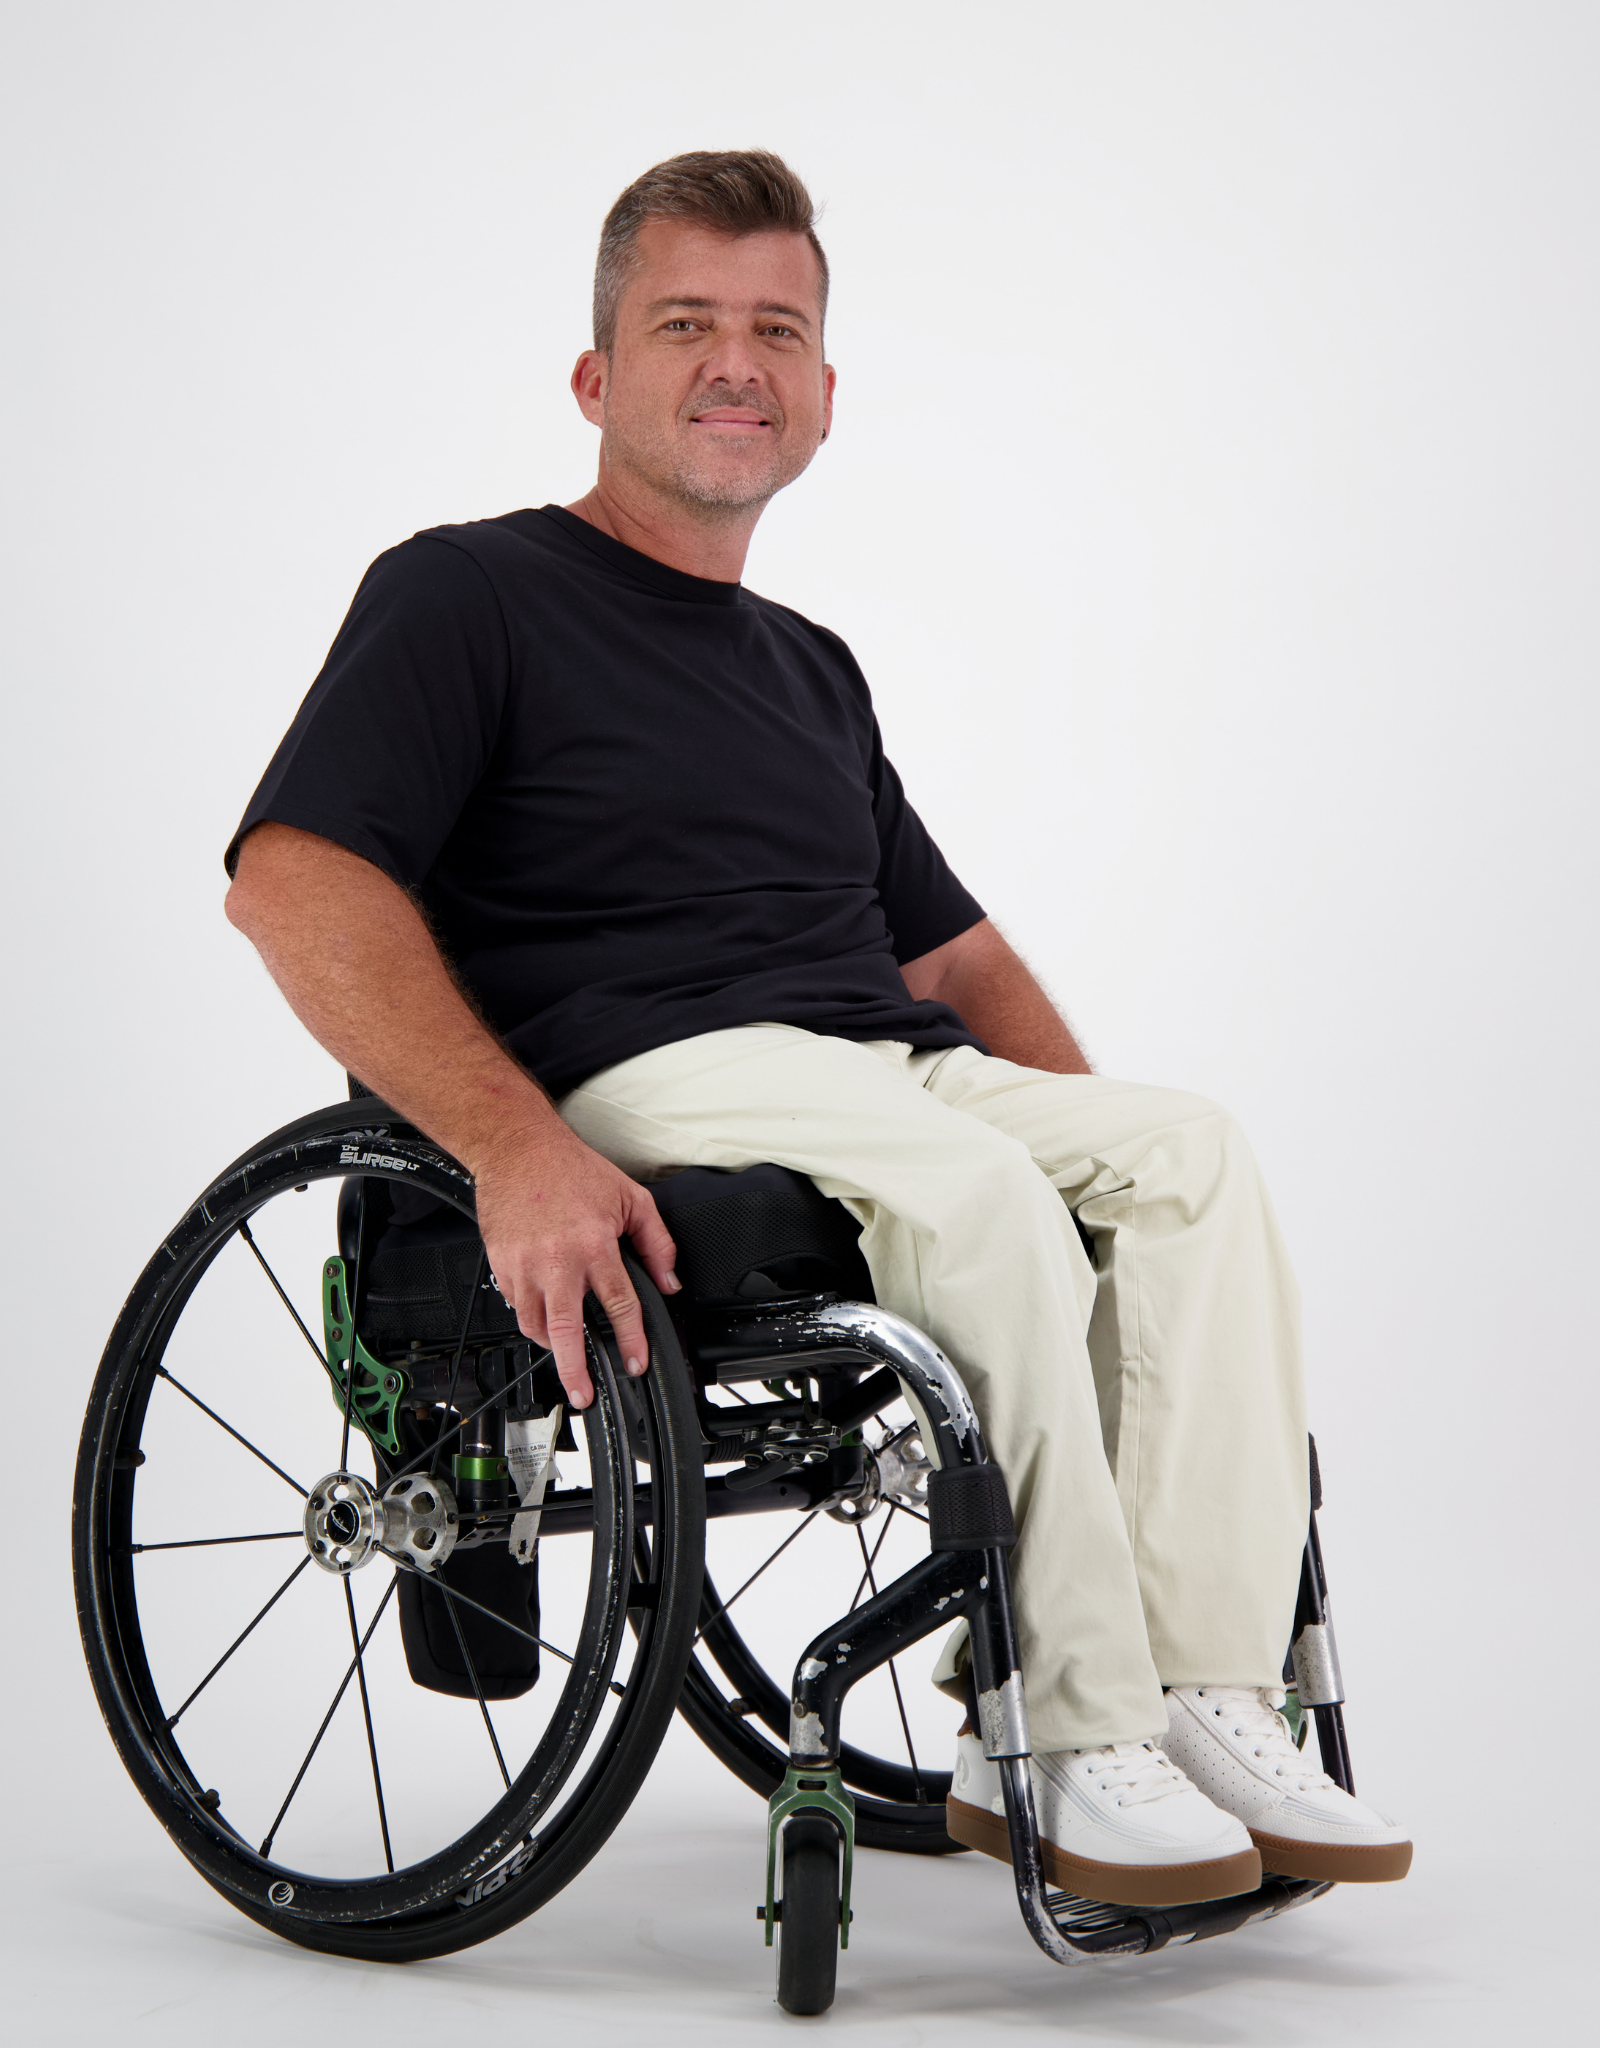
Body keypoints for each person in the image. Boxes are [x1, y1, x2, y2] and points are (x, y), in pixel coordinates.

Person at [223, 149, 1410, 1907]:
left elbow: (954, 958)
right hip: (639, 1069)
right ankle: (1069, 1726)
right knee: (970, 1187)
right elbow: (295, 883)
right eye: (685, 321)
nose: (734, 361)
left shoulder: (809, 666)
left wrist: (1088, 1191)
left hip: (866, 1076)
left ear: (825, 396)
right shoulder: (467, 593)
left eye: (776, 329)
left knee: (1188, 1158)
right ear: (595, 378)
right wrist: (512, 1145)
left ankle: (1200, 1687)